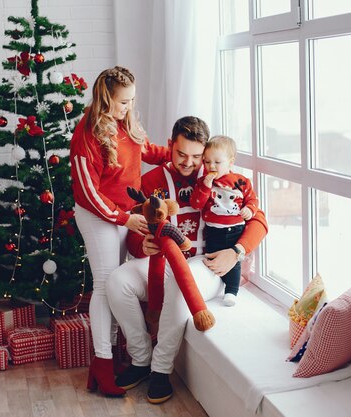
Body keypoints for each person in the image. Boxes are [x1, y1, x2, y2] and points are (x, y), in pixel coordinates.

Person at [106, 116, 268, 404]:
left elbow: (259, 220)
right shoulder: (151, 180)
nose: (189, 163)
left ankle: (160, 369)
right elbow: (135, 228)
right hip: (161, 262)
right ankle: (141, 359)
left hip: (204, 265)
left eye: (197, 156)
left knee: (182, 285)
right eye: (181, 154)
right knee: (117, 282)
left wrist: (236, 252)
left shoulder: (222, 176)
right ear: (170, 146)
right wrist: (142, 244)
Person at [69, 66, 169, 397]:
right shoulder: (86, 134)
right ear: (106, 97)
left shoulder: (126, 123)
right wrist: (122, 219)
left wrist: (186, 156)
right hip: (100, 216)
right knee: (103, 284)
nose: (128, 107)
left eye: (132, 101)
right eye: (123, 102)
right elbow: (88, 194)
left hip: (124, 214)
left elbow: (147, 151)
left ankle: (112, 358)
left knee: (116, 285)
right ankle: (102, 361)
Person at [190, 135, 259, 307]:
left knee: (233, 261)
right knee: (212, 257)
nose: (211, 166)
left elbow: (253, 200)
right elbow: (196, 203)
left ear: (230, 162)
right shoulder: (203, 182)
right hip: (213, 230)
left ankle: (231, 291)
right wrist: (205, 186)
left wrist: (249, 209)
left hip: (235, 229)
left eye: (217, 162)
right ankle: (216, 282)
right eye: (207, 162)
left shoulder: (241, 182)